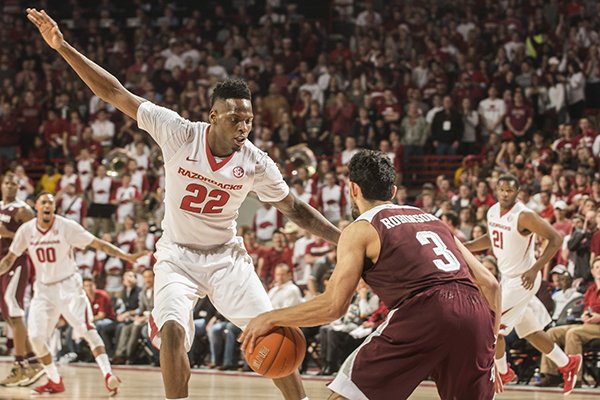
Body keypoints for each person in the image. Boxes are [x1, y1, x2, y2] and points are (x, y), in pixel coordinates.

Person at [25, 9, 340, 400]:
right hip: (176, 256)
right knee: (173, 330)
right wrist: (63, 47)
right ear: (213, 117)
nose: (243, 127)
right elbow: (114, 92)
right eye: (234, 119)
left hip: (227, 258)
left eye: (249, 120)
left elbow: (295, 209)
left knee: (275, 335)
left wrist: (341, 239)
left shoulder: (257, 163)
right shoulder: (177, 133)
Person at [241, 150, 502, 400]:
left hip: (425, 310)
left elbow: (333, 307)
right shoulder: (432, 219)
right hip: (476, 316)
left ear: (353, 189)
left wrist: (271, 318)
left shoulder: (361, 229)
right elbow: (490, 285)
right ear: (394, 191)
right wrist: (490, 351)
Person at [0, 192, 146, 395]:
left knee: (87, 329)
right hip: (43, 289)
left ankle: (108, 374)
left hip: (69, 286)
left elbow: (98, 244)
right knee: (35, 338)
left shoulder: (66, 226)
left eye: (51, 202)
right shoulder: (26, 230)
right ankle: (54, 380)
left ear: (54, 208)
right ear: (37, 208)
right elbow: (10, 258)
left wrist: (125, 256)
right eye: (44, 202)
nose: (48, 205)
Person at [464, 174, 582, 395]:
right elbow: (493, 238)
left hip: (523, 279)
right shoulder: (492, 211)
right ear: (496, 190)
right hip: (507, 278)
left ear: (517, 192)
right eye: (501, 189)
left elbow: (555, 238)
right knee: (531, 330)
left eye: (510, 190)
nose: (505, 193)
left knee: (494, 327)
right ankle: (567, 363)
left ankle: (503, 372)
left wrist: (535, 268)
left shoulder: (524, 215)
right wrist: (466, 246)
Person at [0, 172, 45, 387]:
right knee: (9, 317)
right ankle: (34, 362)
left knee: (15, 314)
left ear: (19, 187)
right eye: (6, 183)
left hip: (16, 262)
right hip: (1, 265)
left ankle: (20, 365)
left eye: (13, 183)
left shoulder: (22, 210)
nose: (9, 186)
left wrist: (7, 234)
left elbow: (36, 236)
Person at [537, 257, 600, 387]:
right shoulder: (591, 289)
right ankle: (551, 374)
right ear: (592, 271)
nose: (599, 270)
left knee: (573, 333)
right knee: (552, 332)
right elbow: (586, 308)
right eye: (597, 267)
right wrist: (584, 315)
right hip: (588, 325)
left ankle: (574, 377)